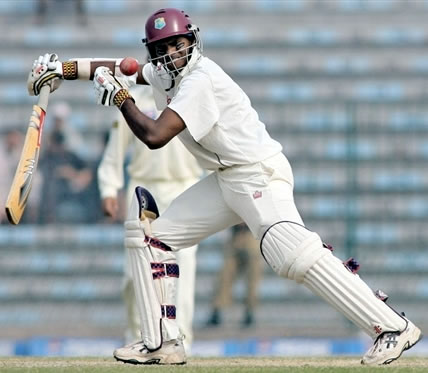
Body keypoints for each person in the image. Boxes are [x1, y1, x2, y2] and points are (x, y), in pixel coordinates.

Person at [27, 8, 422, 366]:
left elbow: (154, 134)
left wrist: (122, 100)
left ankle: (391, 326)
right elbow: (117, 67)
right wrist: (62, 69)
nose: (170, 54)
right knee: (152, 238)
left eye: (177, 45)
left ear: (191, 42)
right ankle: (162, 342)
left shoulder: (201, 79)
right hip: (226, 179)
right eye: (161, 48)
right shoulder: (165, 73)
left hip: (257, 173)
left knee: (290, 253)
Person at [97, 84, 203, 353]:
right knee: (135, 276)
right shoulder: (134, 98)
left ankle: (181, 343)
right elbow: (116, 144)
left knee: (182, 270)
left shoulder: (191, 93)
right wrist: (109, 187)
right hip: (143, 188)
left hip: (185, 187)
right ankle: (140, 338)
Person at [205, 223, 262, 328]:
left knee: (252, 278)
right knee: (225, 275)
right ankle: (217, 310)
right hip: (235, 235)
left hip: (252, 234)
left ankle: (250, 311)